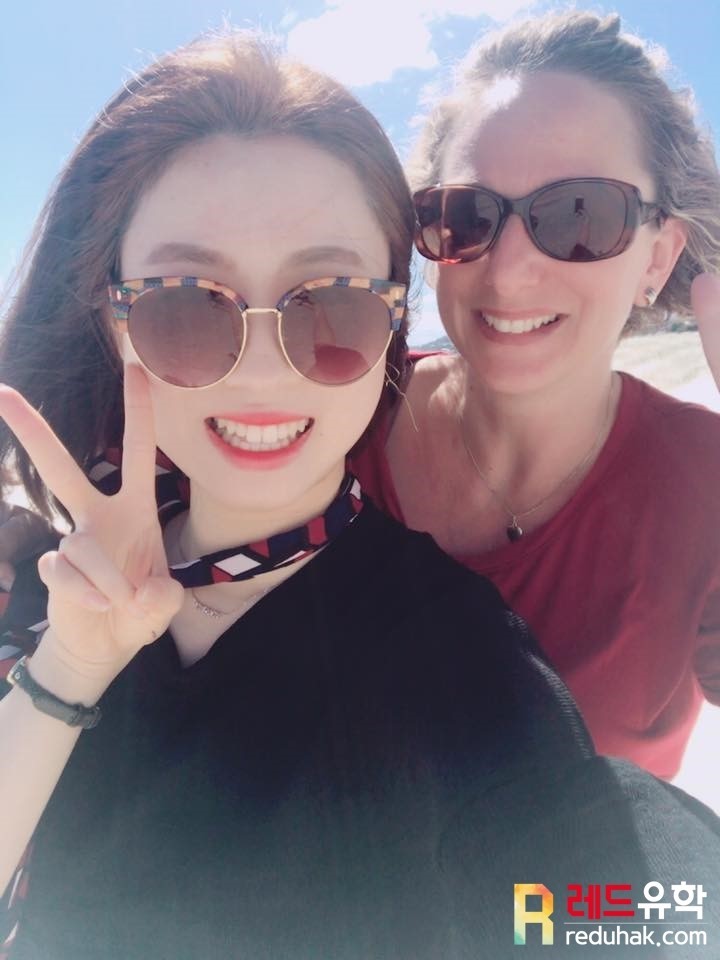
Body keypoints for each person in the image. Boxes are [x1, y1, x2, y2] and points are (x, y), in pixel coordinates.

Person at [1, 28, 719, 960]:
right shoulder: (94, 543)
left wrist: (614, 913)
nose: (262, 371)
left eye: (329, 301)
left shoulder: (469, 655)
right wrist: (68, 663)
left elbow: (619, 899)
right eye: (185, 303)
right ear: (111, 316)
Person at [351, 10, 720, 780]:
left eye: (582, 213)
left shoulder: (706, 484)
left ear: (658, 258)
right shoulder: (340, 413)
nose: (510, 271)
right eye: (465, 215)